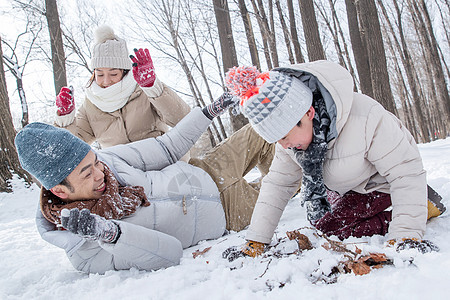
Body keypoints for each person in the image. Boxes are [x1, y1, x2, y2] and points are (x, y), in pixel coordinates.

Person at [15, 90, 274, 274]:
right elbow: (169, 253)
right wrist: (106, 232)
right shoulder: (84, 252)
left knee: (267, 128)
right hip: (227, 214)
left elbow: (167, 147)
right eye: (86, 173)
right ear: (60, 191)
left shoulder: (109, 161)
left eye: (95, 161)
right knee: (286, 182)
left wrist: (210, 111)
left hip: (206, 169)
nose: (99, 173)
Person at [222, 61, 446, 260]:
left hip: (381, 185)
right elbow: (278, 185)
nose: (283, 146)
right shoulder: (292, 143)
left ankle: (423, 205)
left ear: (308, 114)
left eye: (284, 137)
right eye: (276, 140)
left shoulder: (365, 118)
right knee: (320, 219)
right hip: (347, 185)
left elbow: (405, 171)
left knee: (334, 227)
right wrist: (257, 240)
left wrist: (406, 234)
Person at [54, 25, 190, 150]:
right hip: (121, 170)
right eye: (100, 74)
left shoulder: (143, 90)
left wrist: (153, 88)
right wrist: (65, 119)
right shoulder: (91, 104)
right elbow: (71, 146)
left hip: (160, 159)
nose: (106, 81)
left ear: (124, 71)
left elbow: (183, 119)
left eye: (113, 73)